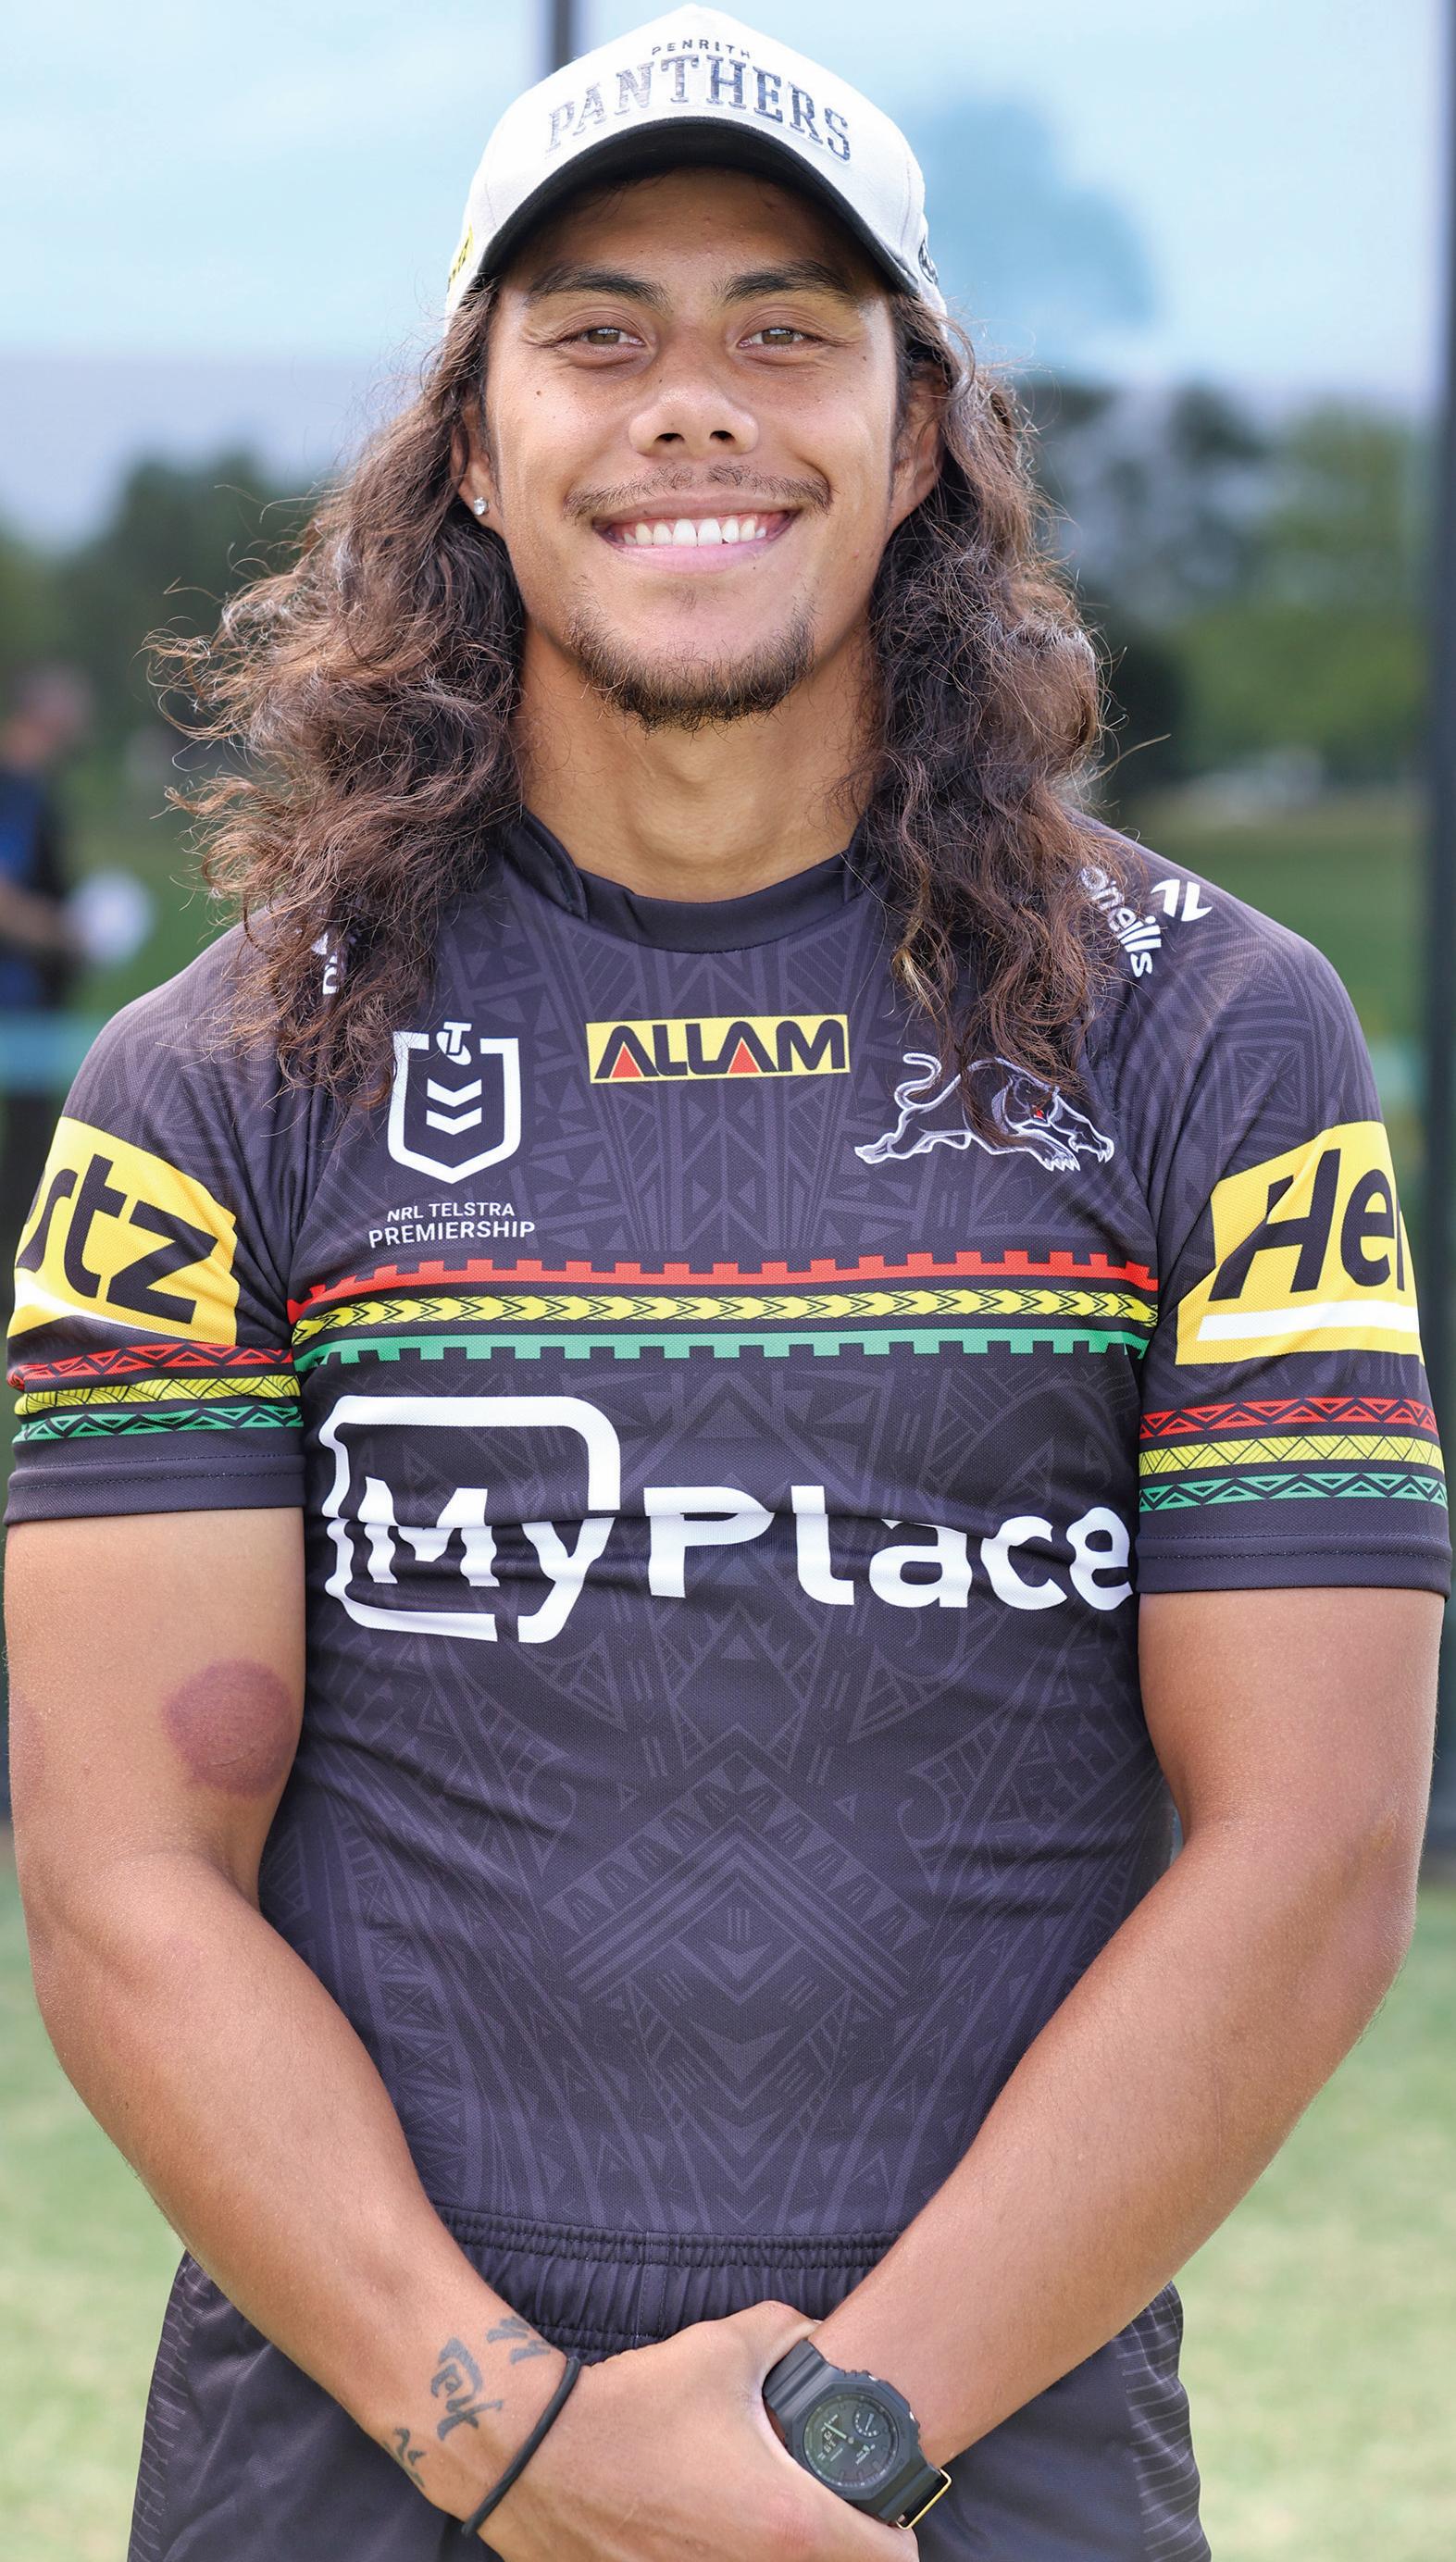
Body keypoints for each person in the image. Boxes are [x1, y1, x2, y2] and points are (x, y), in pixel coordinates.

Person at [5, 11, 1445, 2559]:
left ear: (918, 437)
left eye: (786, 329)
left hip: (971, 2461)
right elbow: (125, 1872)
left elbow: (1313, 1845)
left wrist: (831, 2443)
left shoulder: (1209, 1034)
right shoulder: (212, 1081)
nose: (693, 402)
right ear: (473, 447)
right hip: (352, 2452)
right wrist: (511, 2442)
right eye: (598, 334)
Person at [0, 663, 87, 1275]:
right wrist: (67, 934)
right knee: (28, 1146)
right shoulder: (14, 787)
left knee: (32, 1141)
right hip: (14, 1001)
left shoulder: (40, 788)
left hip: (33, 1000)